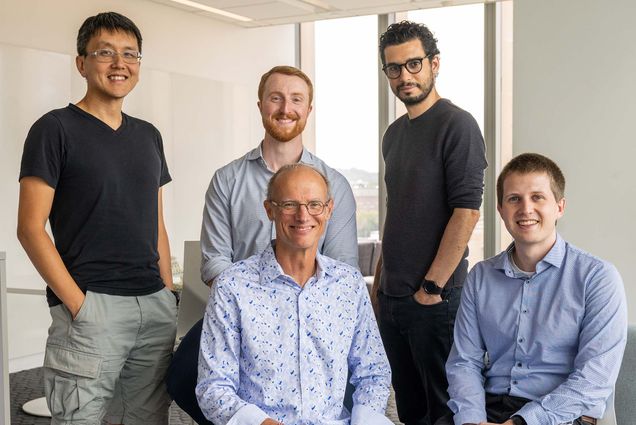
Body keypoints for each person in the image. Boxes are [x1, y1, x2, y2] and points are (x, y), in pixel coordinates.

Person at [167, 65, 358, 424]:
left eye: (296, 99)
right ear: (260, 106)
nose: (286, 108)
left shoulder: (334, 184)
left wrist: (296, 309)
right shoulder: (227, 180)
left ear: (309, 110)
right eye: (276, 98)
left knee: (340, 390)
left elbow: (343, 268)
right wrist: (256, 311)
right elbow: (214, 262)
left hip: (315, 314)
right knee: (181, 377)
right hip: (240, 313)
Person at [17, 11, 177, 424]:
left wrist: (165, 292)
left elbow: (155, 222)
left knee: (146, 419)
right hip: (92, 308)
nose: (119, 63)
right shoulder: (54, 129)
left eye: (130, 54)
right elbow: (30, 229)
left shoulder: (148, 135)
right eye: (105, 53)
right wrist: (77, 304)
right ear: (82, 63)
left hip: (153, 307)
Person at [441, 153, 628, 425]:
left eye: (537, 197)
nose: (525, 209)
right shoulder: (480, 277)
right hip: (488, 409)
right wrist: (472, 419)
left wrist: (522, 422)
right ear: (501, 210)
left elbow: (594, 379)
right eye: (514, 198)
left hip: (560, 413)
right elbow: (463, 362)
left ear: (560, 207)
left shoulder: (598, 278)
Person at [196, 164, 391, 425]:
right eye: (289, 204)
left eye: (314, 205)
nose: (303, 215)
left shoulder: (349, 285)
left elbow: (374, 373)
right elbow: (213, 387)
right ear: (269, 210)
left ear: (329, 209)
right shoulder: (232, 286)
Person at [373, 20, 487, 425]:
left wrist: (431, 289)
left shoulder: (458, 125)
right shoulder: (393, 135)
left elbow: (467, 212)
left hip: (434, 300)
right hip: (392, 299)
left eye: (414, 64)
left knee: (445, 411)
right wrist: (380, 284)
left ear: (434, 64)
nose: (405, 76)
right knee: (409, 410)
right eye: (394, 68)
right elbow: (398, 213)